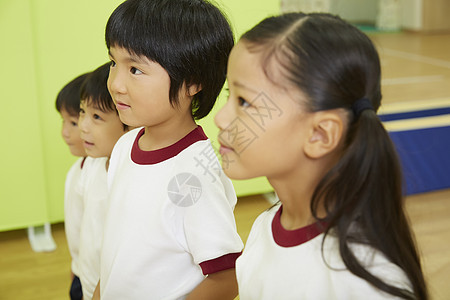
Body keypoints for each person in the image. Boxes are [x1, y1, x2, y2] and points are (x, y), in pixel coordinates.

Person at [214, 12, 428, 300]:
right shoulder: (267, 226)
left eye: (244, 102)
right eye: (229, 94)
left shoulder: (363, 285)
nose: (221, 119)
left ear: (320, 135)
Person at [95, 0, 244, 299]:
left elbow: (227, 277)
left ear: (192, 83)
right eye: (114, 63)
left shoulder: (193, 174)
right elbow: (118, 248)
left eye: (135, 69)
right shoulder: (125, 145)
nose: (116, 84)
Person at [76, 62, 129, 300]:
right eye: (82, 112)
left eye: (96, 116)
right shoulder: (92, 166)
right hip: (87, 284)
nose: (83, 127)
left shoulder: (130, 179)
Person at [55, 72, 89, 300]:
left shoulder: (108, 175)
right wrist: (75, 266)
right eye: (63, 121)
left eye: (74, 122)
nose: (65, 132)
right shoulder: (76, 169)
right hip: (81, 271)